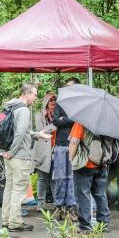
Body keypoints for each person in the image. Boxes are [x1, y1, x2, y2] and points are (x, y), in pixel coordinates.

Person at [1, 83, 51, 232]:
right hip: (19, 156)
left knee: (9, 188)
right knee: (18, 190)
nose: (36, 98)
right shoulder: (23, 110)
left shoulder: (11, 106)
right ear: (26, 93)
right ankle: (15, 222)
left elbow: (22, 131)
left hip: (9, 156)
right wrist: (13, 151)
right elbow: (20, 133)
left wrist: (37, 134)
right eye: (34, 94)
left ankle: (6, 219)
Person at [68, 122, 111, 232]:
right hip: (102, 164)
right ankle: (104, 224)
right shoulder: (106, 123)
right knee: (100, 194)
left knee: (83, 195)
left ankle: (85, 226)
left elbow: (74, 142)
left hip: (84, 164)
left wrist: (71, 159)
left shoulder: (81, 123)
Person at [51, 77, 79, 220]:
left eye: (69, 86)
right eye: (66, 86)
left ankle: (71, 208)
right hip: (61, 145)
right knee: (60, 177)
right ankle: (58, 207)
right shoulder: (60, 103)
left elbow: (79, 119)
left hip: (75, 144)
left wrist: (65, 119)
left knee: (72, 178)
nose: (66, 88)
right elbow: (55, 120)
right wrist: (69, 119)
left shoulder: (80, 103)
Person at [33, 91, 57, 211]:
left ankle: (57, 203)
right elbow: (40, 131)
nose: (53, 102)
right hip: (43, 151)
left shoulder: (59, 115)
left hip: (55, 150)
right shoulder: (39, 116)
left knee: (54, 177)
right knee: (42, 178)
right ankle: (40, 203)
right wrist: (55, 125)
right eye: (51, 100)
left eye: (55, 100)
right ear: (46, 103)